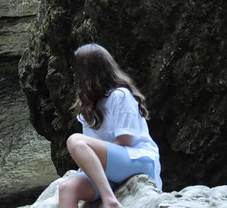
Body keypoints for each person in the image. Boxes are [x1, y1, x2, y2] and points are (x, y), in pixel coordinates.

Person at [57, 43, 162, 208]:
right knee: (66, 188)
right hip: (111, 170)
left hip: (137, 160)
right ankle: (107, 193)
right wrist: (89, 165)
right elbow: (91, 146)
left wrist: (93, 158)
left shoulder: (120, 96)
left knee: (75, 140)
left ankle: (110, 200)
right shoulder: (87, 103)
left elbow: (125, 141)